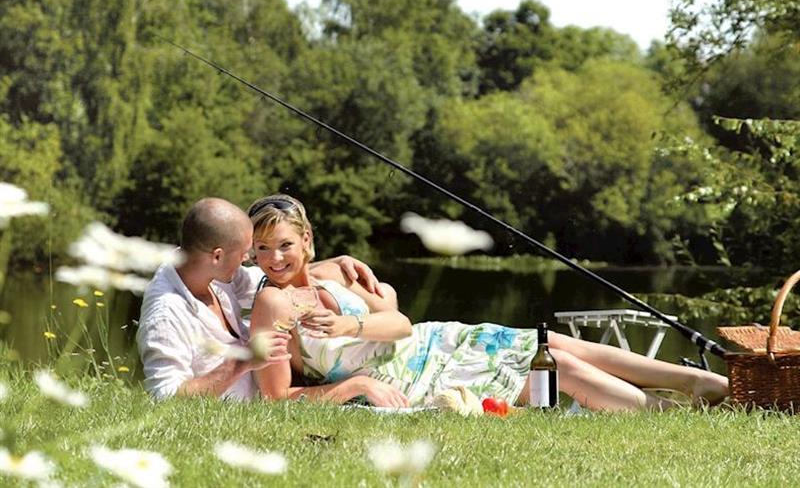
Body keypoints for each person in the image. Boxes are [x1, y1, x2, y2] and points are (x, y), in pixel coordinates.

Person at [247, 194, 729, 411]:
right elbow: (275, 399)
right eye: (262, 249)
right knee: (553, 365)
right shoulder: (272, 307)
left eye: (285, 244)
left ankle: (701, 382)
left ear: (307, 238)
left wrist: (350, 327)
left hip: (430, 341)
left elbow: (399, 324)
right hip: (408, 377)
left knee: (548, 340)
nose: (274, 259)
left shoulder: (336, 271)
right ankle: (665, 411)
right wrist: (356, 390)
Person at [136, 197, 383, 401]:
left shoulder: (213, 273)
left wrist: (333, 264)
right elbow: (163, 396)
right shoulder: (166, 312)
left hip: (286, 389)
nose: (248, 260)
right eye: (245, 253)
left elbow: (275, 273)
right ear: (217, 256)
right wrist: (242, 362)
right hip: (264, 405)